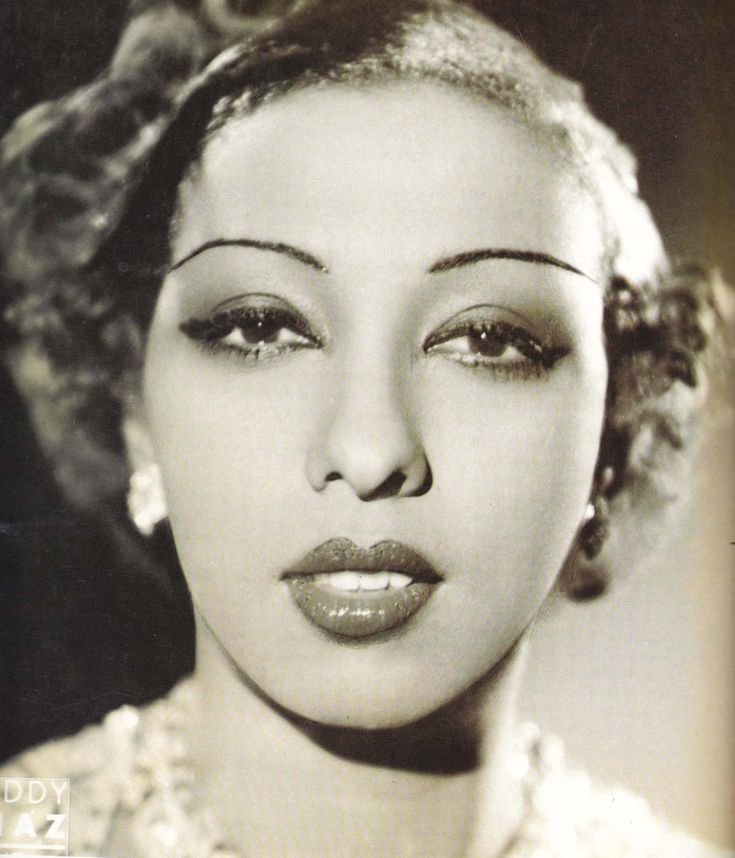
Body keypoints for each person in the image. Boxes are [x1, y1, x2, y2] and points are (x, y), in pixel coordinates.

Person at [0, 0, 726, 855]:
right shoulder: (25, 830)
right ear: (134, 408)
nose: (370, 451)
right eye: (261, 327)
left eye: (487, 340)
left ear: (611, 436)